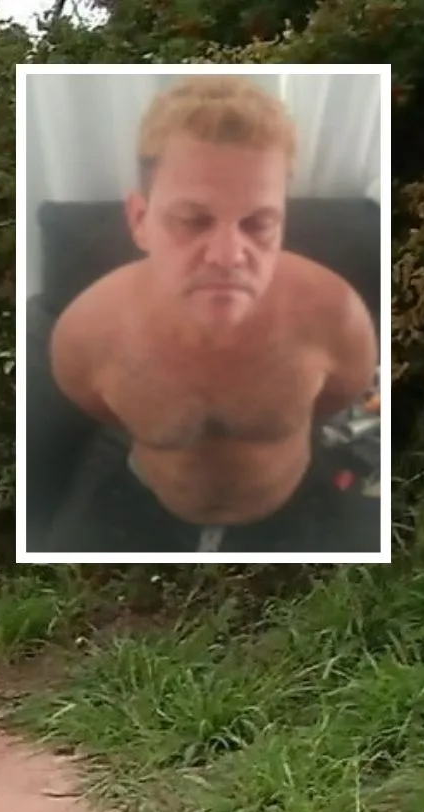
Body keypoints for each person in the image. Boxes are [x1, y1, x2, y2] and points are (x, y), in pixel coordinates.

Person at [47, 74, 378, 553]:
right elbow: (99, 408)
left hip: (298, 505)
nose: (227, 255)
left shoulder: (337, 317)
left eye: (259, 223)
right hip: (141, 506)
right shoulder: (85, 334)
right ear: (140, 221)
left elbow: (334, 399)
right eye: (193, 221)